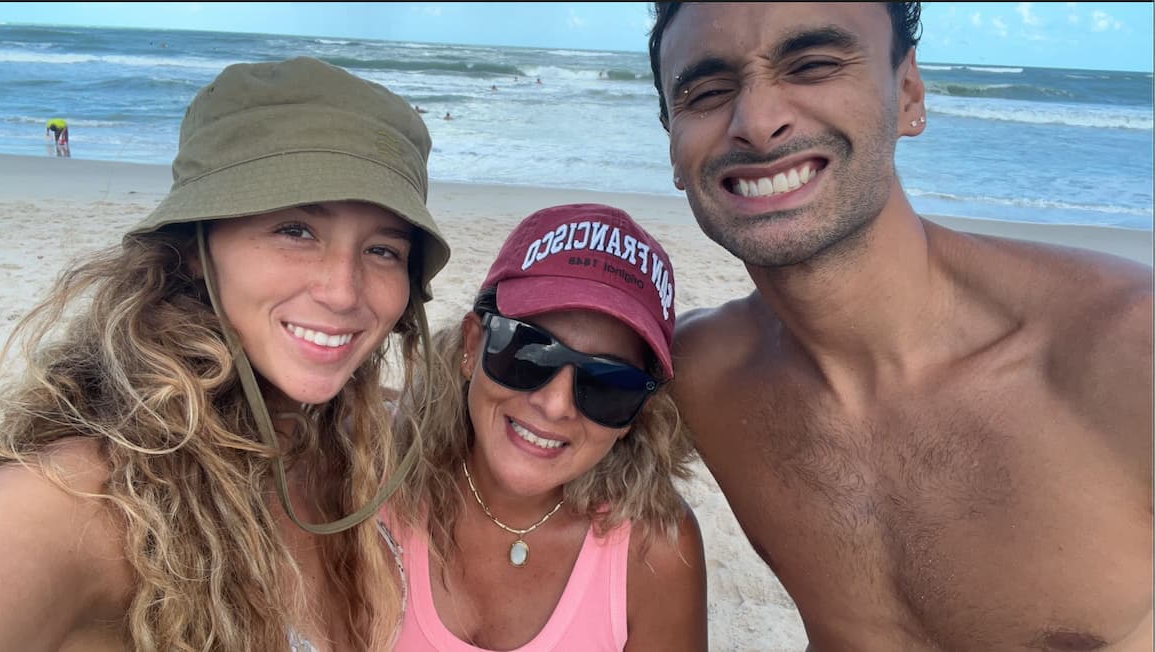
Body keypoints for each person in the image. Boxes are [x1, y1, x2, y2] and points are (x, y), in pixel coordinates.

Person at [647, 3, 1152, 651]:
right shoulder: (698, 375)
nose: (757, 122)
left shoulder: (1125, 351)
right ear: (671, 143)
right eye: (708, 92)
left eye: (813, 65)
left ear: (908, 93)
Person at [0, 56, 451, 651]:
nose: (343, 292)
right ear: (193, 247)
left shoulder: (351, 447)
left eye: (384, 250)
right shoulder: (81, 501)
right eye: (295, 230)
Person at [385, 203, 708, 650]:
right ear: (472, 345)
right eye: (528, 353)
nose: (556, 405)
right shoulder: (370, 481)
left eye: (607, 383)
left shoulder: (655, 551)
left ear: (636, 413)